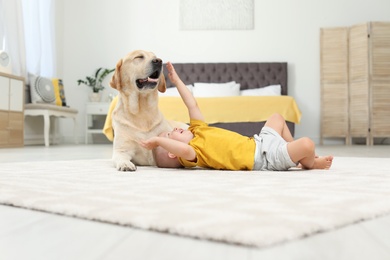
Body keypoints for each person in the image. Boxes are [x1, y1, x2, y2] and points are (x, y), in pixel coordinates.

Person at [140, 62, 333, 171]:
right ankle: (309, 163)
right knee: (307, 143)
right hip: (263, 158)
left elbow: (192, 104)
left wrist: (177, 81)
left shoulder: (197, 130)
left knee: (277, 117)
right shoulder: (195, 154)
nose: (173, 129)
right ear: (175, 152)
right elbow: (182, 149)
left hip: (259, 141)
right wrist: (158, 140)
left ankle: (295, 155)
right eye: (169, 135)